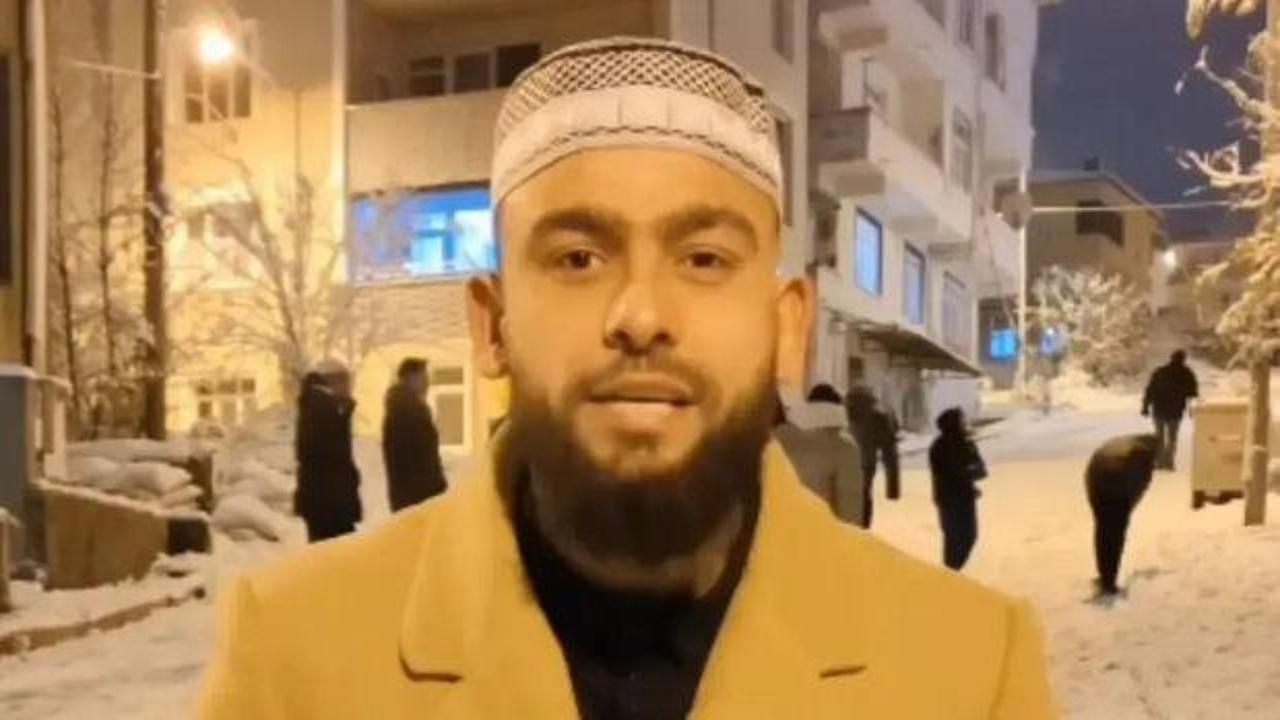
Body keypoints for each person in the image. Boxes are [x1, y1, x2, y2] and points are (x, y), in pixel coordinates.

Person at [199, 38, 1056, 719]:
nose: (640, 313)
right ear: (493, 324)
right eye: (578, 257)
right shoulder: (294, 658)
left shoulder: (968, 671)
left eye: (704, 257)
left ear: (787, 327)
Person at [773, 384, 865, 526]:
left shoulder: (776, 439)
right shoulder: (844, 447)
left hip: (777, 529)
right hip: (819, 530)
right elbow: (850, 507)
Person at [293, 361, 362, 543]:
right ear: (335, 383)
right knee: (336, 552)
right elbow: (332, 454)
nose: (350, 388)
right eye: (347, 382)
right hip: (330, 504)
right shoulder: (322, 408)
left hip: (324, 502)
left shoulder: (317, 405)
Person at [1086, 434, 1159, 597]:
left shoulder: (1117, 443)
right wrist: (1126, 510)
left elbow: (1092, 468)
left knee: (1102, 530)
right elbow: (1141, 485)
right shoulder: (1144, 454)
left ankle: (1105, 576)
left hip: (1096, 481)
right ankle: (1108, 583)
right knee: (1115, 535)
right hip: (1118, 484)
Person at [382, 358, 448, 512]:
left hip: (416, 497)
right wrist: (435, 489)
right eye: (422, 377)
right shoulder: (405, 411)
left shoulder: (410, 408)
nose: (427, 383)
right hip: (416, 498)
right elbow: (415, 459)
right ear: (409, 378)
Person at [929, 407, 988, 571]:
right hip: (950, 499)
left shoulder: (965, 443)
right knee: (955, 538)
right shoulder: (941, 446)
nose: (965, 423)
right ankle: (950, 573)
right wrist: (969, 471)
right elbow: (957, 471)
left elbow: (980, 470)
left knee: (967, 536)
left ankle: (952, 570)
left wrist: (971, 470)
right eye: (961, 421)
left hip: (962, 497)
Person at [845, 385, 901, 527]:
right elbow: (890, 453)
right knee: (864, 494)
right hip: (866, 463)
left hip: (840, 460)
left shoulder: (842, 411)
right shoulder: (879, 414)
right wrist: (893, 488)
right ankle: (862, 526)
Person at [1141, 350, 1199, 470]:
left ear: (1171, 358)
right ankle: (1169, 462)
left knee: (1159, 437)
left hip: (1159, 409)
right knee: (1172, 437)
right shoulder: (1187, 374)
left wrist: (1145, 406)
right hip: (1175, 411)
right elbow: (1193, 393)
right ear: (1183, 359)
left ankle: (1160, 461)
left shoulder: (1160, 371)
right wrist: (1192, 409)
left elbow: (1150, 390)